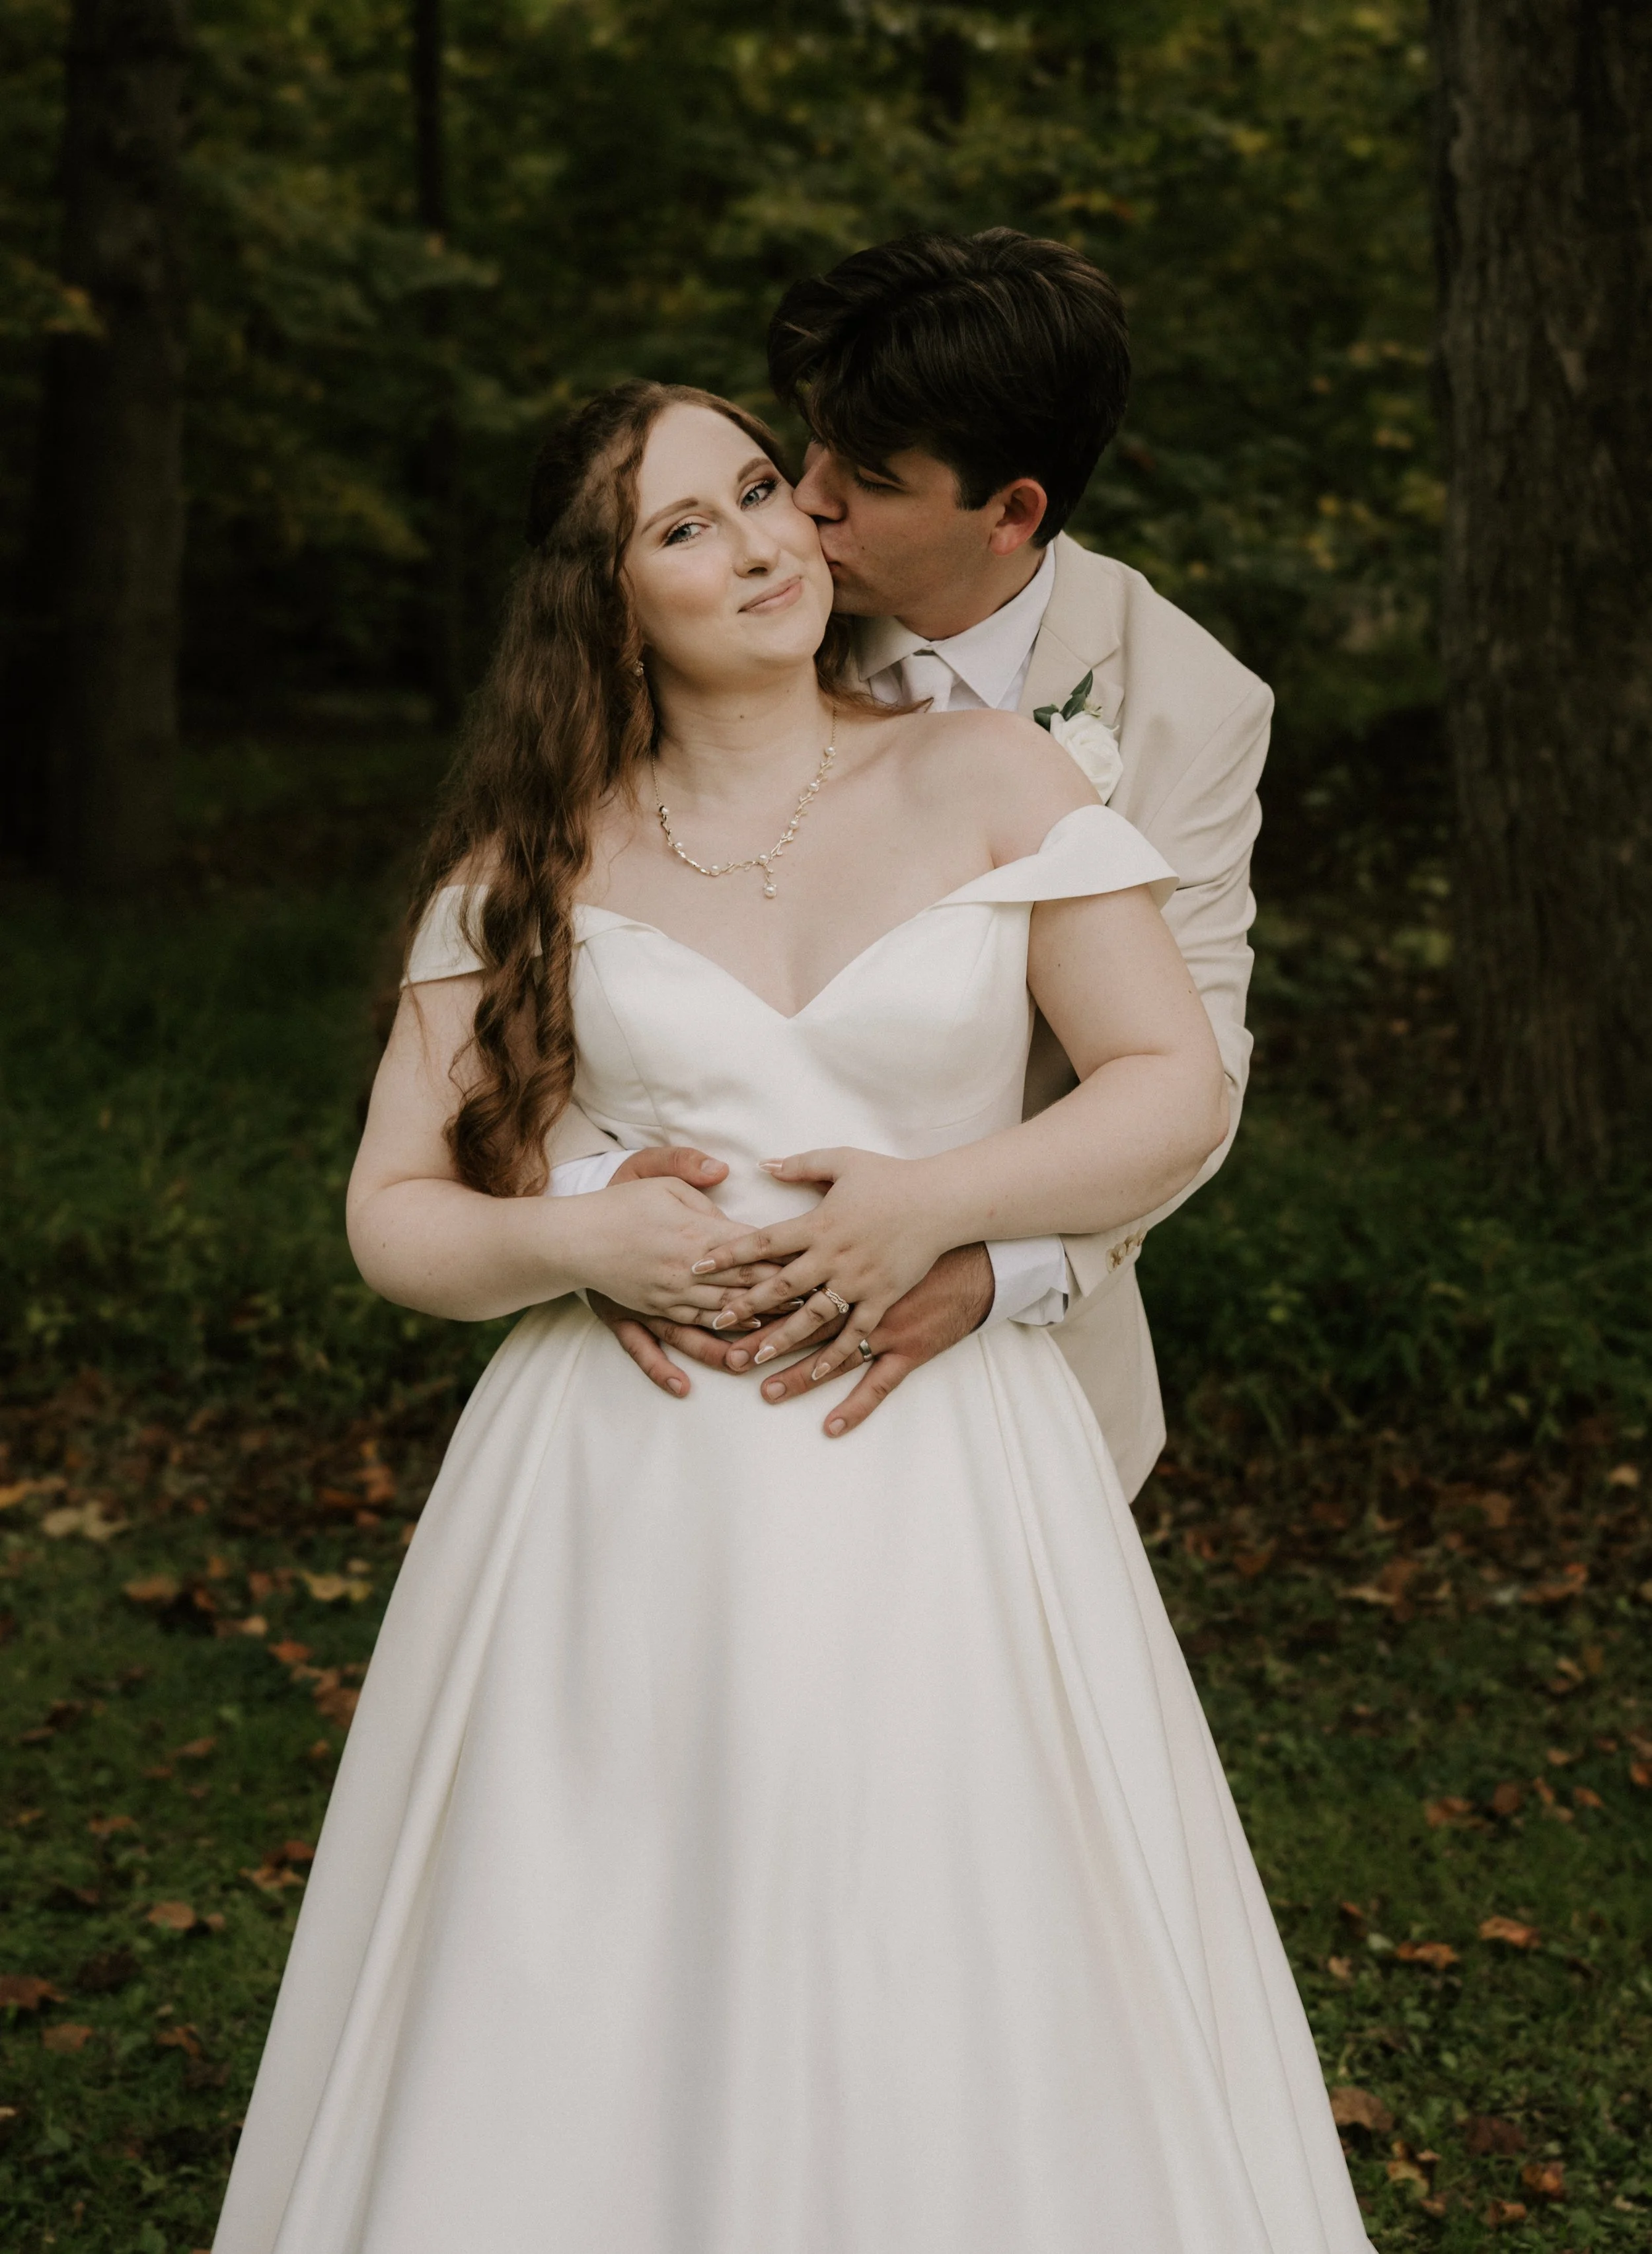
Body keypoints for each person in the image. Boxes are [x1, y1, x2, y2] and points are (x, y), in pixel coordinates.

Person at [213, 377, 1371, 2252]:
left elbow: (1169, 1080)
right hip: (615, 1491)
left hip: (936, 1466)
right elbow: (396, 1215)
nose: (759, 542)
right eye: (686, 525)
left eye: (761, 491)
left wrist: (938, 1200)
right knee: (595, 1952)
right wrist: (577, 1246)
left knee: (951, 1926)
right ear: (603, 597)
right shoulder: (536, 860)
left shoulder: (990, 773)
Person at [564, 229, 1271, 1499]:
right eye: (808, 446)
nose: (807, 500)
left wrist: (982, 1267)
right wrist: (589, 1207)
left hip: (1007, 1369)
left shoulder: (1186, 706)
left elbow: (1193, 1070)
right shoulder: (742, 606)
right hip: (678, 1379)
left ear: (1012, 513)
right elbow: (556, 939)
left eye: (870, 477)